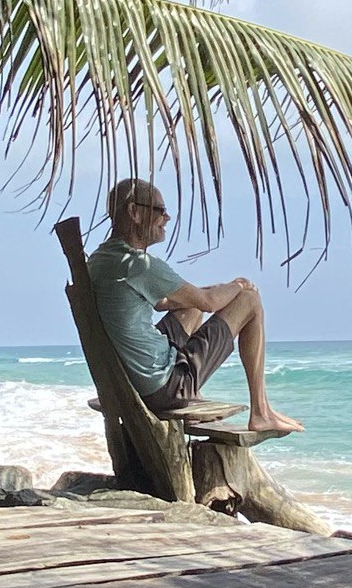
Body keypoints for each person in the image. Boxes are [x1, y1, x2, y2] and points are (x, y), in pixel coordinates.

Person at [87, 177, 303, 435]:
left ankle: (201, 395)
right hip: (162, 388)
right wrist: (239, 287)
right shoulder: (139, 265)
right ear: (134, 212)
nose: (166, 218)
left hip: (128, 380)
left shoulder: (101, 259)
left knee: (190, 307)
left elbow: (177, 302)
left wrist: (211, 291)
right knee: (250, 301)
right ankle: (261, 412)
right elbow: (209, 304)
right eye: (159, 210)